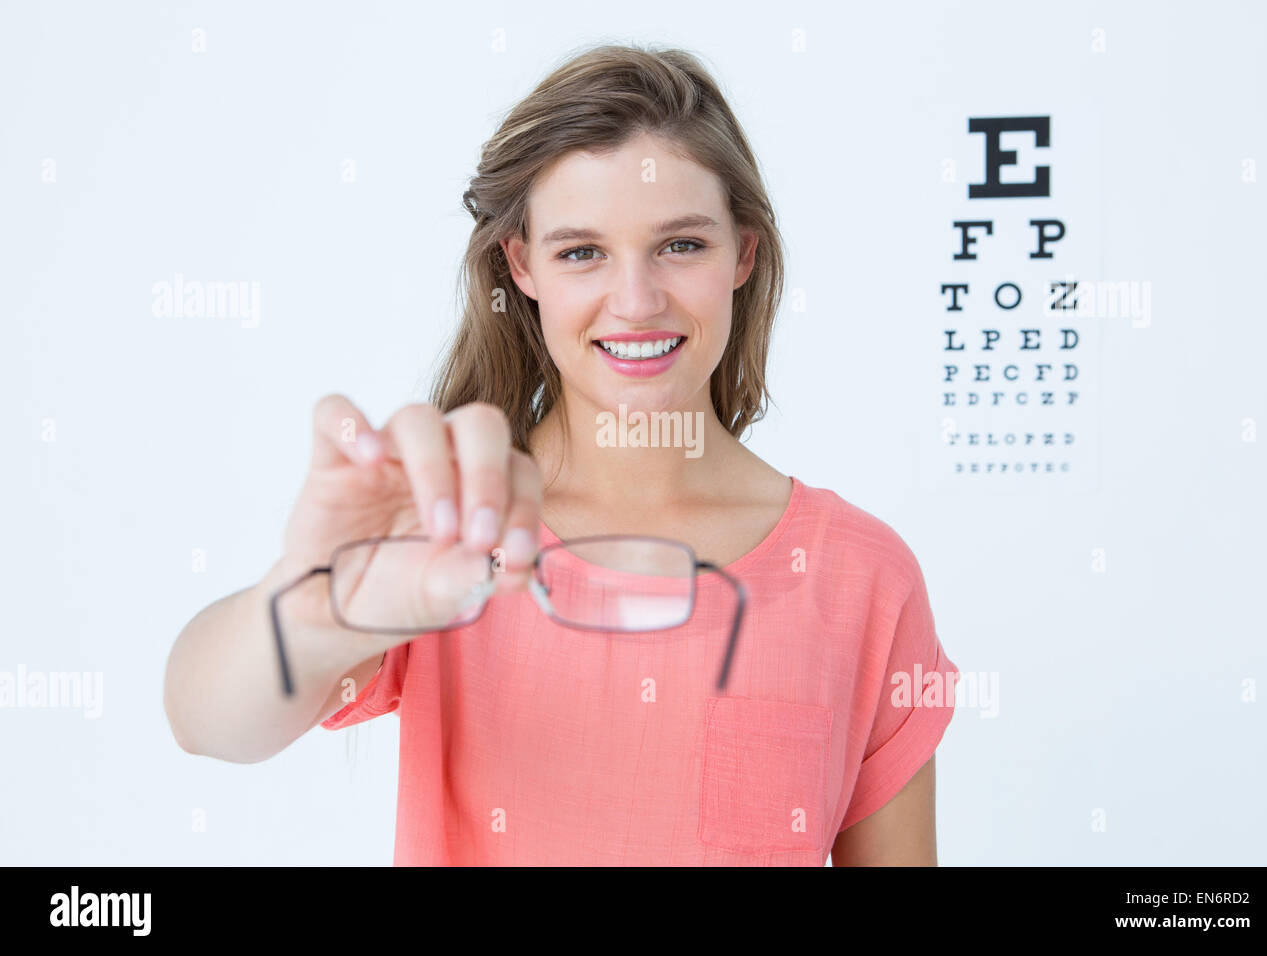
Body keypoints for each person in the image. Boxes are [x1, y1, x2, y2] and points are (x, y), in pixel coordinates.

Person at [163, 42, 961, 866]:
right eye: (582, 251)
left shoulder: (864, 580)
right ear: (523, 266)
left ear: (744, 255)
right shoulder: (455, 536)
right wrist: (314, 604)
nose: (636, 300)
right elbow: (205, 721)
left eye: (681, 245)